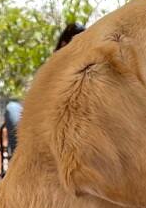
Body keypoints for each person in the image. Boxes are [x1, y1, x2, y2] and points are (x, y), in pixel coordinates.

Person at [5, 22, 86, 156]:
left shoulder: (87, 72)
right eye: (66, 42)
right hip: (39, 120)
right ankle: (18, 162)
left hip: (63, 125)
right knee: (12, 108)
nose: (67, 47)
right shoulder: (50, 69)